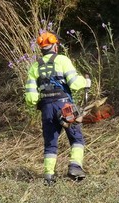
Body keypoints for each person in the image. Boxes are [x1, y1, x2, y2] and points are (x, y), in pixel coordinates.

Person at [23, 32, 91, 186]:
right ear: (55, 46)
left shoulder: (34, 66)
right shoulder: (62, 60)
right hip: (65, 106)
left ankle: (48, 177)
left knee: (50, 143)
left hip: (47, 108)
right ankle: (75, 167)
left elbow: (31, 98)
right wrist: (87, 82)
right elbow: (74, 83)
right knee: (76, 137)